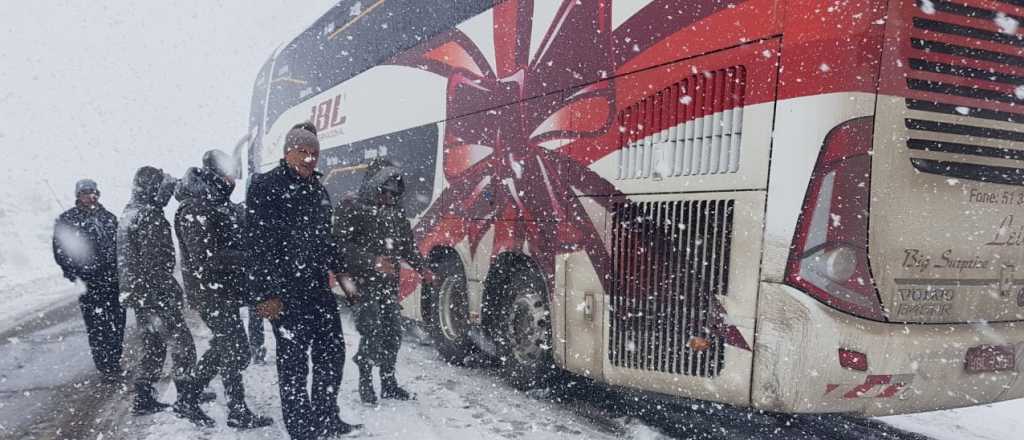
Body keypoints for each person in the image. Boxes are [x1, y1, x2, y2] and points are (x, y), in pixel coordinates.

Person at [246, 122, 360, 439]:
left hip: (317, 290)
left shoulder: (319, 190)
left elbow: (328, 242)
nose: (310, 159)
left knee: (332, 353)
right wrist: (266, 294)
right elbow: (257, 246)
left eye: (315, 154)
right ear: (287, 152)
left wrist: (344, 277)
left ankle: (326, 416)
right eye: (303, 152)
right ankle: (300, 427)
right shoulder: (266, 186)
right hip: (284, 293)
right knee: (294, 363)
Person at [174, 150, 273, 429]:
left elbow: (239, 235)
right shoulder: (195, 208)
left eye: (234, 175)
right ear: (214, 174)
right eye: (228, 174)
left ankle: (231, 407)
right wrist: (249, 257)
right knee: (237, 350)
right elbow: (206, 257)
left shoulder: (219, 203)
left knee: (227, 346)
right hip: (210, 293)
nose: (232, 180)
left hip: (225, 291)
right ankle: (194, 399)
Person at [333, 158, 434, 405]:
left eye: (394, 192)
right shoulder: (351, 207)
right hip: (360, 285)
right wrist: (372, 261)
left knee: (392, 334)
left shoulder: (396, 211)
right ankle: (366, 382)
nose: (389, 196)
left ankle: (388, 383)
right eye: (385, 191)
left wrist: (423, 268)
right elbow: (339, 248)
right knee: (371, 332)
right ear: (373, 186)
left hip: (388, 286)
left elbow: (407, 245)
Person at [118, 166, 213, 426]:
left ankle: (143, 397)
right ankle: (187, 397)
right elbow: (155, 263)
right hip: (155, 294)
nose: (167, 195)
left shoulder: (131, 212)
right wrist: (170, 291)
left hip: (140, 295)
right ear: (152, 189)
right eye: (163, 189)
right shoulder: (149, 216)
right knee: (182, 345)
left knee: (153, 346)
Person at [51, 179, 125, 381]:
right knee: (97, 326)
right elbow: (61, 252)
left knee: (117, 323)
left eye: (94, 192)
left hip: (114, 281)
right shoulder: (67, 221)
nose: (91, 196)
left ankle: (115, 361)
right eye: (85, 193)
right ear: (78, 195)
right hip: (89, 284)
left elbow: (122, 246)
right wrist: (75, 275)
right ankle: (105, 367)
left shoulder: (109, 218)